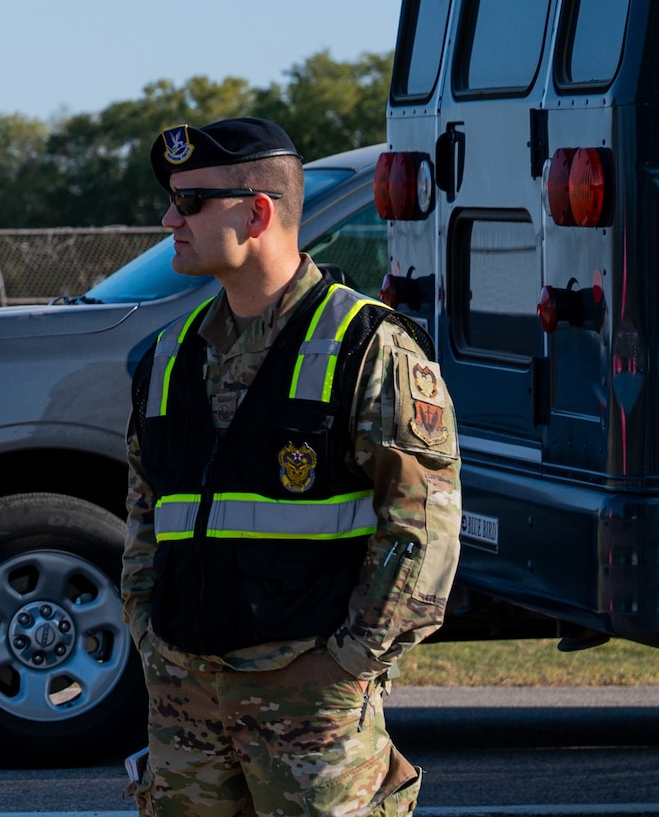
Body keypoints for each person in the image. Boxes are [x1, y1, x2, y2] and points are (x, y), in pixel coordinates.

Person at [122, 118, 461, 817]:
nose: (168, 219)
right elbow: (145, 517)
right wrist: (152, 643)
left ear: (258, 212)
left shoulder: (370, 346)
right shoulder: (167, 355)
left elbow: (422, 533)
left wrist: (344, 668)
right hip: (185, 698)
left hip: (309, 705)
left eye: (189, 203)